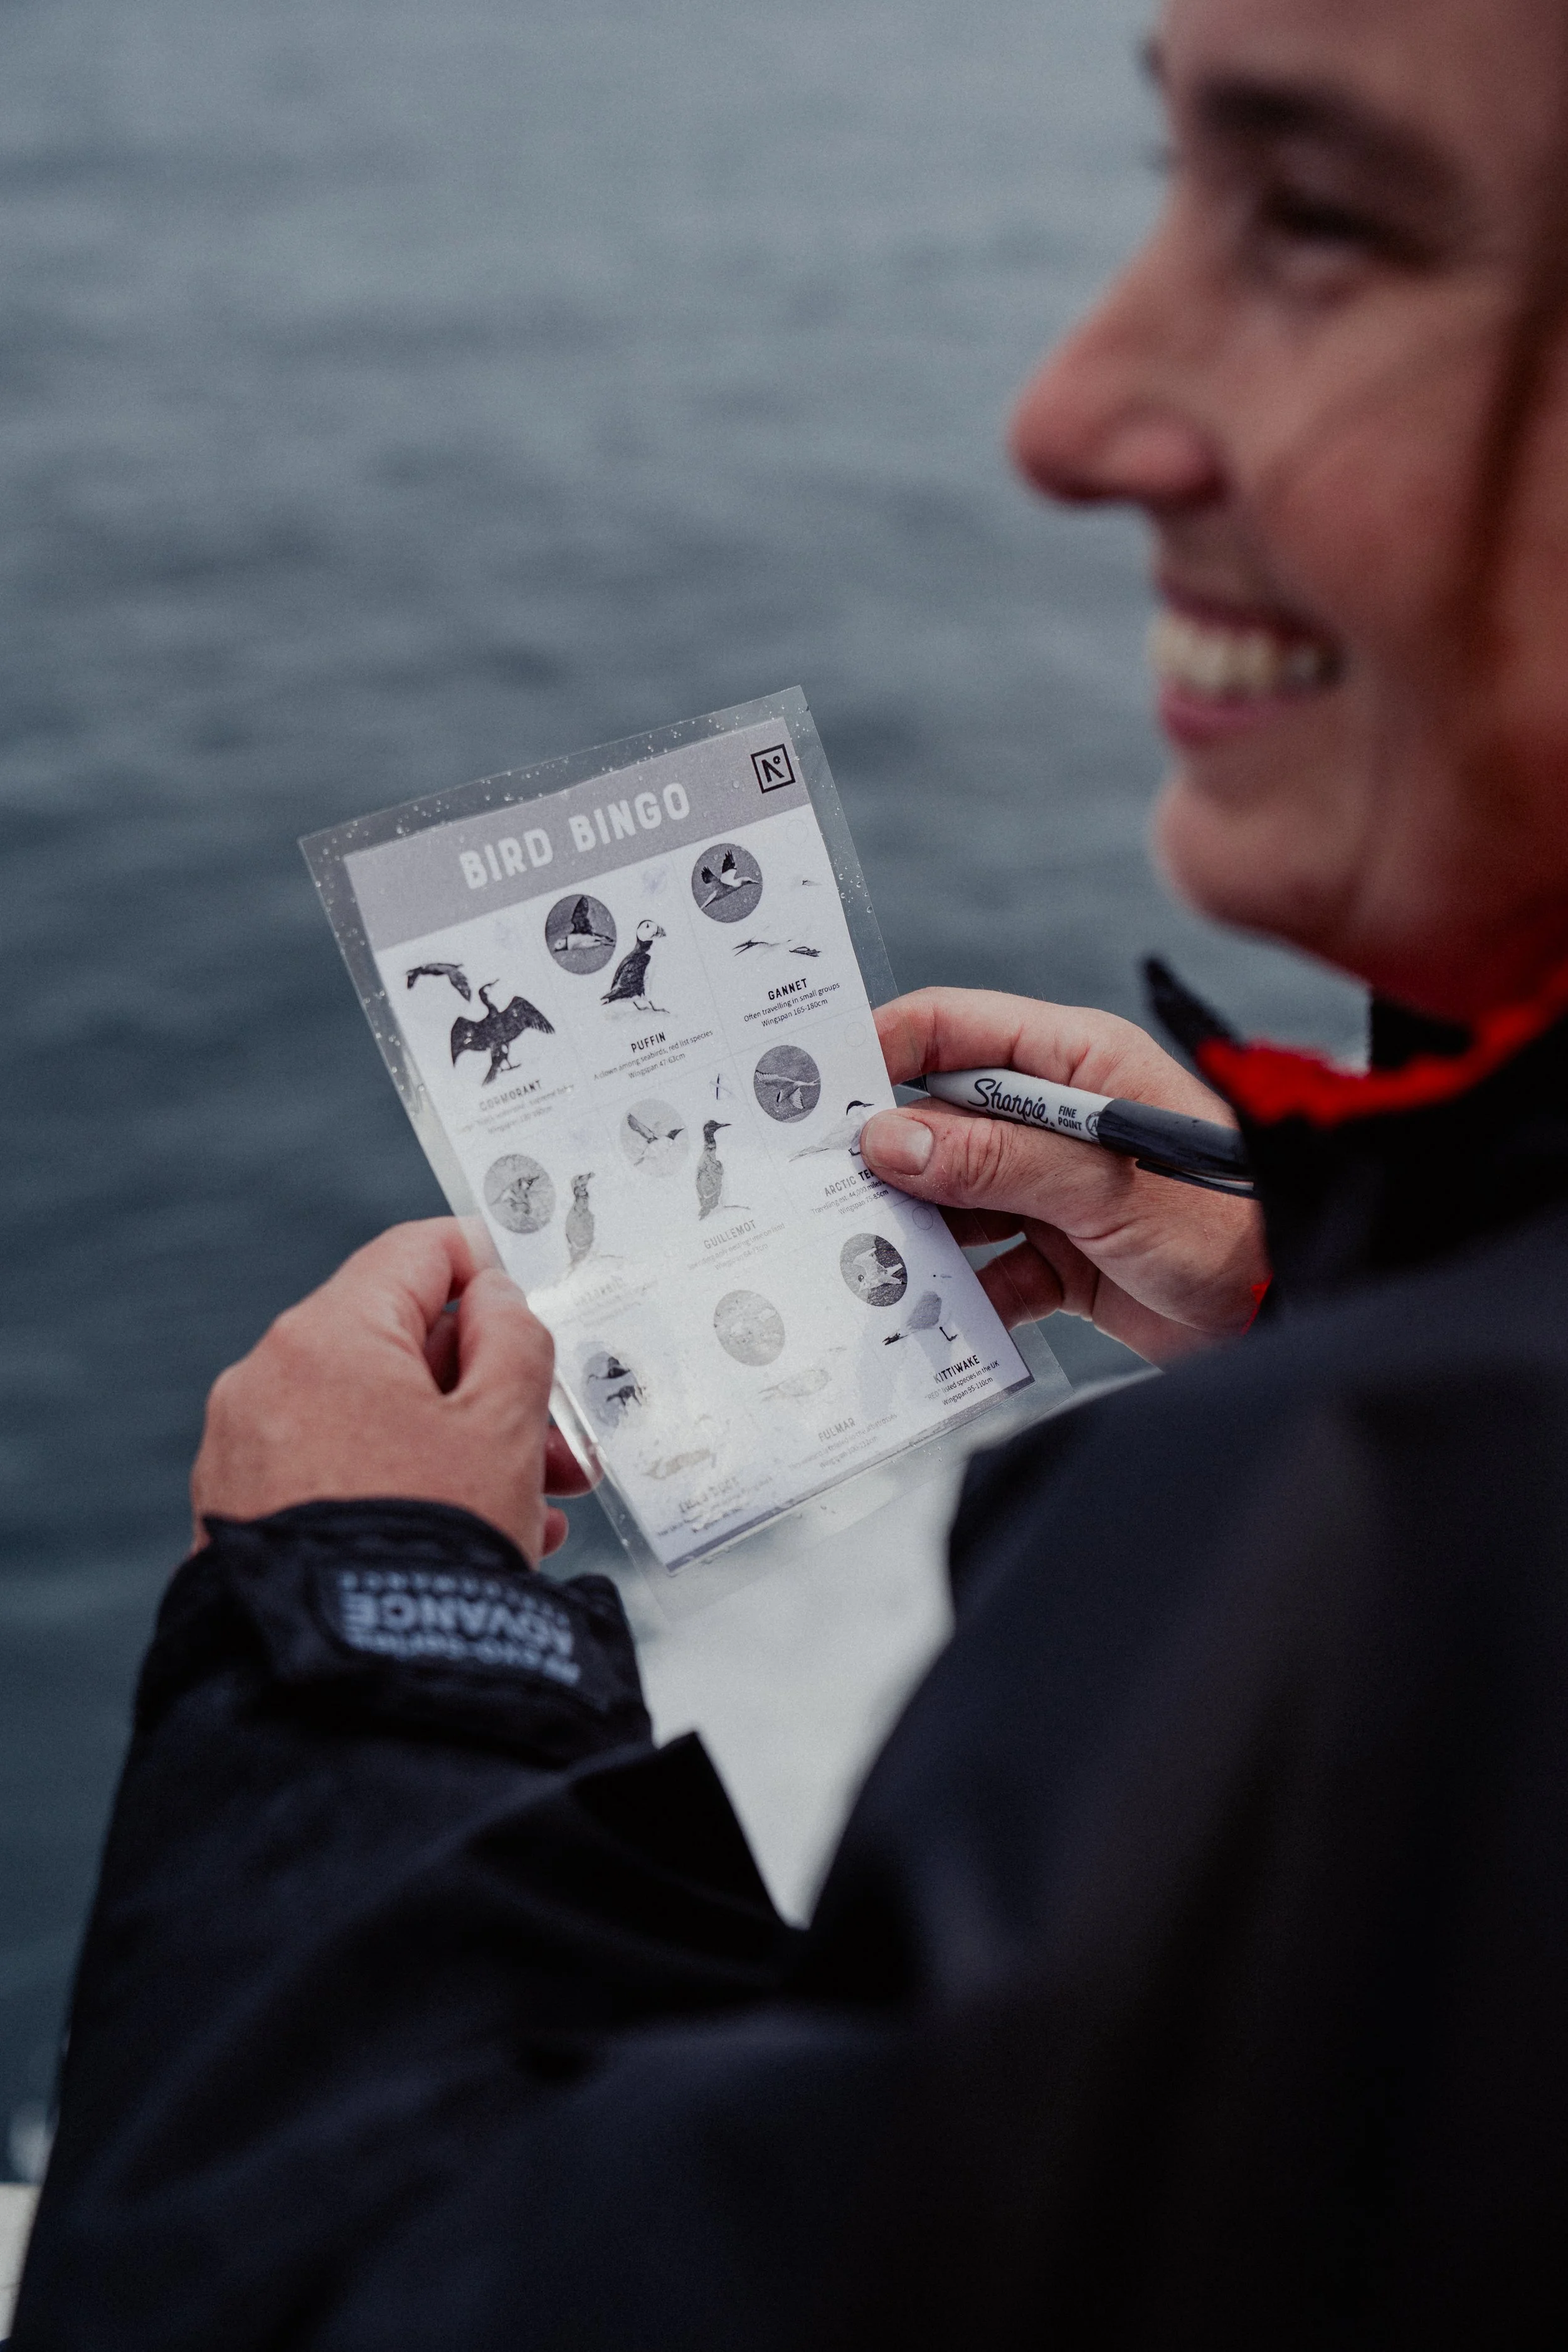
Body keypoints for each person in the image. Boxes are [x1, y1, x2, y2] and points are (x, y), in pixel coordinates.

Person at [14, 0, 1568, 2339]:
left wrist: (364, 1635)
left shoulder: (1404, 1564)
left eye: (1318, 222)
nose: (1065, 412)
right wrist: (1332, 1255)